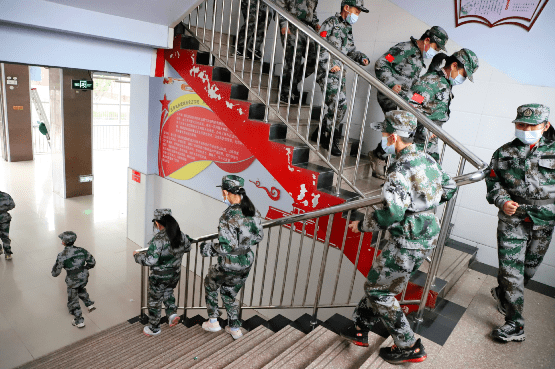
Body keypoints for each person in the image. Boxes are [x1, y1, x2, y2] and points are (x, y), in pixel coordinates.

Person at [341, 111, 457, 364]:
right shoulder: (427, 158)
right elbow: (450, 186)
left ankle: (409, 345)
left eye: (384, 134)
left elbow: (393, 212)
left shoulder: (399, 170)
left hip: (407, 241)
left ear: (393, 136)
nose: (382, 138)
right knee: (381, 282)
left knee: (379, 291)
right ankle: (359, 328)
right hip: (426, 235)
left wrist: (363, 225)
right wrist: (425, 203)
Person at [486, 104, 553, 343]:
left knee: (528, 270)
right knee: (511, 272)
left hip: (545, 221)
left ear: (545, 126)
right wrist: (502, 201)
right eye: (520, 125)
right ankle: (515, 324)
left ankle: (504, 294)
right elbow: (493, 184)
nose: (524, 129)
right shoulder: (503, 153)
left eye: (530, 125)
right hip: (512, 220)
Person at [368, 26, 449, 179]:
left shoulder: (419, 57)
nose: (434, 51)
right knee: (401, 127)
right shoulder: (404, 49)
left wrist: (423, 100)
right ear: (427, 40)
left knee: (406, 129)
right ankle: (379, 157)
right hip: (390, 95)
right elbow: (382, 63)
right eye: (435, 47)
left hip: (404, 99)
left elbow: (413, 85)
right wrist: (391, 83)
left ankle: (381, 156)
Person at [200, 175, 264, 340]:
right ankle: (235, 328)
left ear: (225, 192)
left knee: (210, 283)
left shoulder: (228, 217)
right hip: (246, 261)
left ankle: (213, 321)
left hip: (230, 263)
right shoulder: (252, 210)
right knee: (229, 294)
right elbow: (258, 237)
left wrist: (207, 249)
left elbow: (226, 247)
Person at [312, 0, 370, 156]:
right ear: (346, 8)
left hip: (340, 74)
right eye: (356, 12)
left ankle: (319, 132)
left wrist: (361, 57)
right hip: (328, 71)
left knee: (337, 105)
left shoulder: (347, 28)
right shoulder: (330, 22)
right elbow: (320, 44)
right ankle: (328, 138)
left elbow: (351, 50)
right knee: (340, 104)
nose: (357, 15)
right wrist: (329, 64)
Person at [403, 48, 479, 161]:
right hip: (416, 140)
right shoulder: (430, 81)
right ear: (454, 66)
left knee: (433, 173)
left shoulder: (444, 83)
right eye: (464, 74)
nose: (463, 79)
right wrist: (425, 130)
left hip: (429, 140)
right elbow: (410, 107)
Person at [134, 209, 192, 336]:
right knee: (168, 292)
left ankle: (154, 328)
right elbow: (188, 247)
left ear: (157, 223)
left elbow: (150, 260)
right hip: (174, 274)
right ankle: (172, 314)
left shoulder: (158, 239)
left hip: (159, 277)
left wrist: (137, 256)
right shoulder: (180, 234)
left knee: (154, 301)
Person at [278, 0, 320, 104]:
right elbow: (280, 4)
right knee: (293, 60)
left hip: (306, 28)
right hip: (291, 24)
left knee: (315, 60)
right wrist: (283, 23)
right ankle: (286, 92)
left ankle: (292, 83)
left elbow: (312, 10)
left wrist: (315, 23)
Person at [52, 231, 96, 328]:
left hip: (72, 279)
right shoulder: (82, 250)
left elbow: (55, 273)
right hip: (84, 276)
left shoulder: (62, 255)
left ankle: (79, 321)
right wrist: (85, 268)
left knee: (73, 299)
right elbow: (92, 262)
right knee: (81, 288)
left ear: (64, 242)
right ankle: (89, 304)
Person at [0, 190, 15, 260]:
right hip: (4, 219)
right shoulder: (5, 195)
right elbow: (12, 205)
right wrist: (4, 209)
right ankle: (8, 253)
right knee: (5, 236)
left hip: (4, 219)